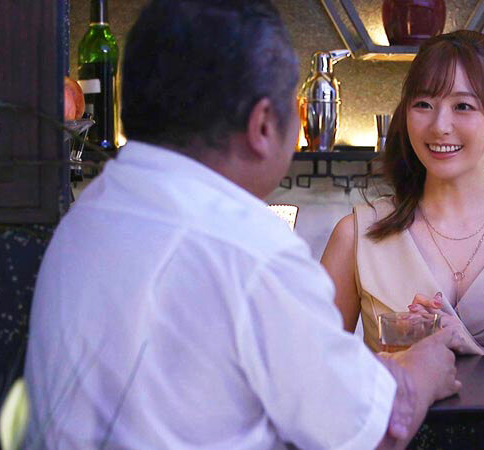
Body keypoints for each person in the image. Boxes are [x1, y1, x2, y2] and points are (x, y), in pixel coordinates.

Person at [24, 1, 460, 448]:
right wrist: (424, 370)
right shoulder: (249, 249)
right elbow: (374, 431)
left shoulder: (85, 218)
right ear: (264, 124)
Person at [322, 30, 484, 356]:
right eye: (424, 104)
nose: (440, 125)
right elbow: (317, 369)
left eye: (463, 106)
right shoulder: (356, 235)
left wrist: (468, 346)